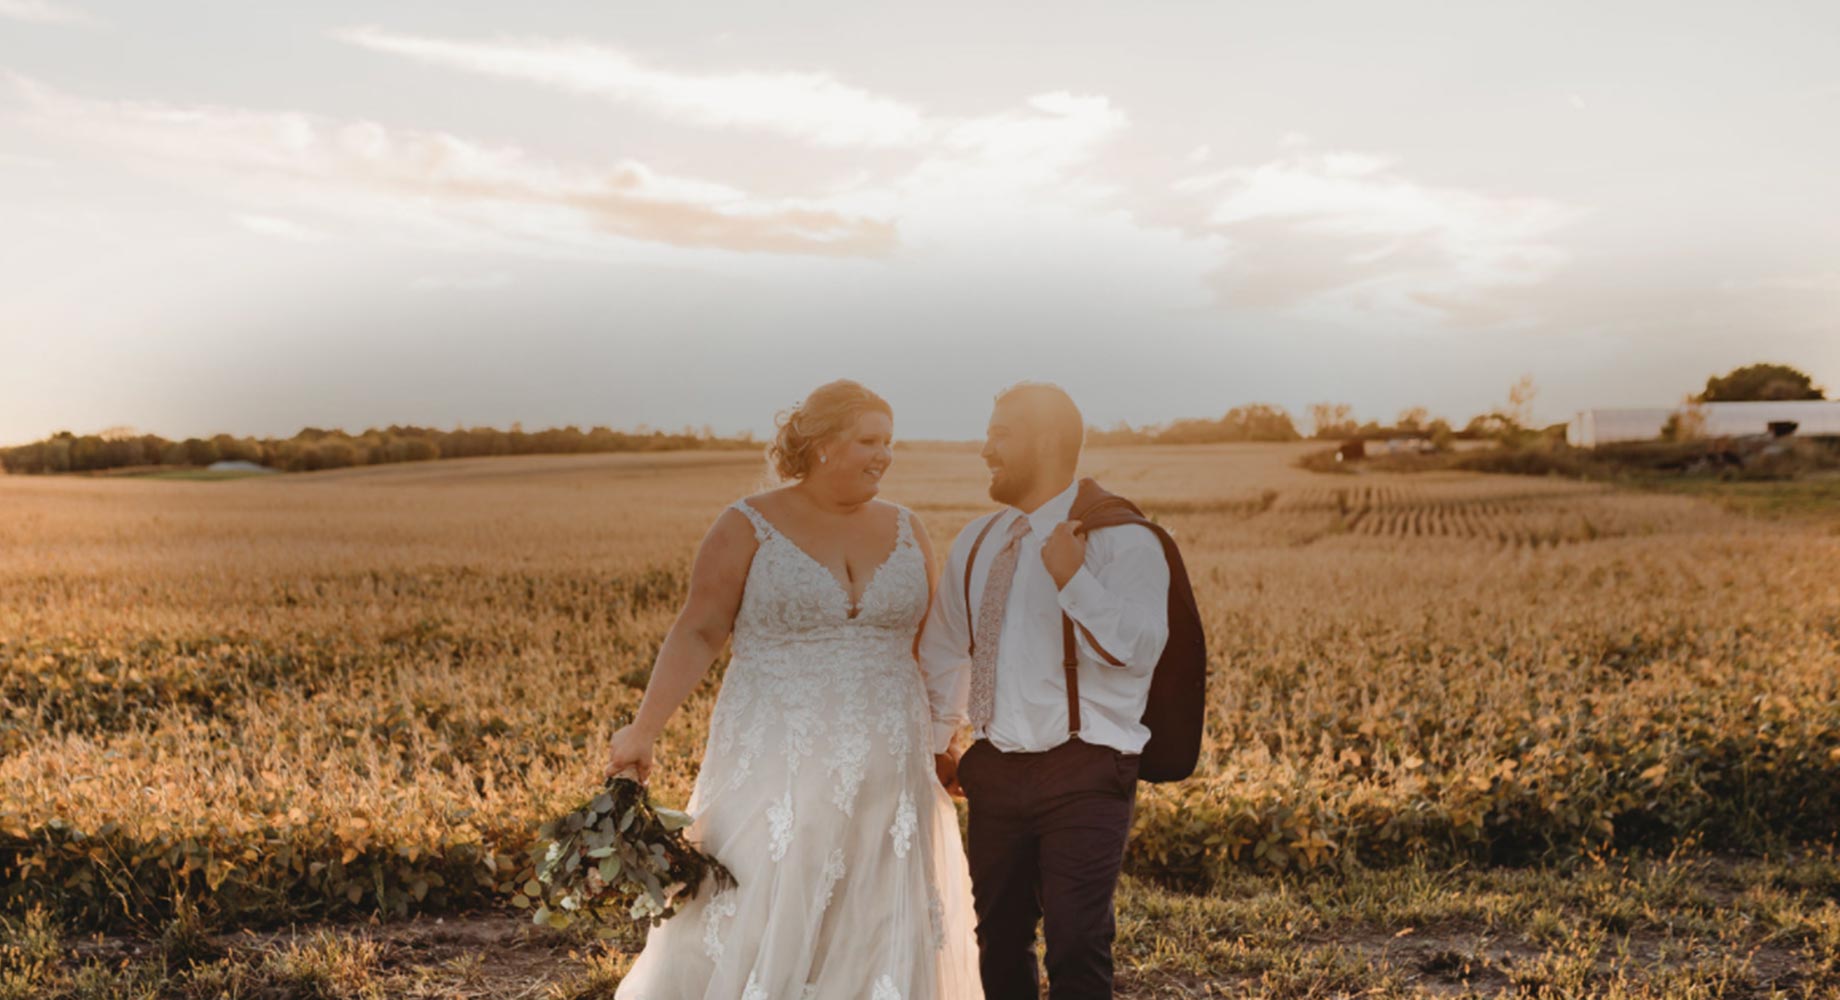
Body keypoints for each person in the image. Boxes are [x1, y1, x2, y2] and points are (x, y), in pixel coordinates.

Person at [605, 379, 982, 1000]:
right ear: (823, 444)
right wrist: (643, 729)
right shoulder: (748, 524)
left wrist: (944, 741)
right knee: (767, 887)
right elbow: (699, 631)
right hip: (777, 759)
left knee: (878, 907)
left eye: (889, 441)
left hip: (891, 759)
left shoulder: (908, 527)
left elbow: (928, 644)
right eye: (869, 440)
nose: (884, 454)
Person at [919, 382, 1171, 1000]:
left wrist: (1071, 577)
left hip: (1087, 767)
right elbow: (945, 645)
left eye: (1000, 434)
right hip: (995, 768)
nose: (985, 449)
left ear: (1047, 442)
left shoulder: (1125, 539)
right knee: (996, 940)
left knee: (1077, 942)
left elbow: (1136, 653)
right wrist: (936, 741)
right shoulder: (978, 541)